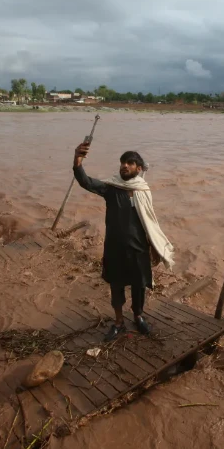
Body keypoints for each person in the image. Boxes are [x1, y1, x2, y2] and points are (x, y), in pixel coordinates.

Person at [73, 143, 174, 341]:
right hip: (115, 248)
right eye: (122, 162)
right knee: (116, 287)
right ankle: (118, 322)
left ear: (139, 168)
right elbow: (85, 182)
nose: (124, 166)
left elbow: (150, 222)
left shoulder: (143, 190)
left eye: (130, 162)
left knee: (139, 286)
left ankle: (138, 316)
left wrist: (154, 246)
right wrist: (77, 159)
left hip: (138, 249)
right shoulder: (111, 189)